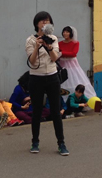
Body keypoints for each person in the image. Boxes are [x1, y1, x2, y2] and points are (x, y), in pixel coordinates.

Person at [26, 11, 68, 156]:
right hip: (36, 78)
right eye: (42, 21)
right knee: (36, 111)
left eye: (47, 21)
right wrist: (37, 46)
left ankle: (61, 143)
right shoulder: (30, 40)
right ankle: (35, 142)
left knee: (55, 111)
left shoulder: (53, 39)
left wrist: (48, 46)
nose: (45, 24)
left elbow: (55, 58)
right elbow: (31, 62)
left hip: (52, 77)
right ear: (36, 24)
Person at [58, 26, 96, 100]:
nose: (65, 33)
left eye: (67, 32)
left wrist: (61, 53)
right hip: (62, 65)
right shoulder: (59, 43)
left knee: (75, 80)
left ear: (71, 33)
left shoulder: (75, 43)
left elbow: (73, 53)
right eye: (64, 32)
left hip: (72, 65)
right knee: (63, 81)